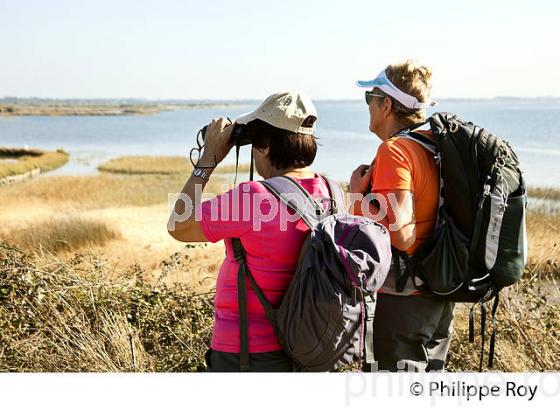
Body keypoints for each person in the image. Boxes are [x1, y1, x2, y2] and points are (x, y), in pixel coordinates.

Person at [167, 91, 334, 372]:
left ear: (265, 144)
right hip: (309, 346)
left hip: (248, 352)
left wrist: (208, 159)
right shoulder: (331, 192)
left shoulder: (253, 196)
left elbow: (179, 225)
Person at [349, 60, 455, 372]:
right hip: (437, 292)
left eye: (370, 98)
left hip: (403, 300)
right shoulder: (434, 145)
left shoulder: (394, 151)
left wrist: (356, 197)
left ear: (386, 105)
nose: (367, 105)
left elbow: (402, 233)